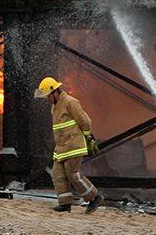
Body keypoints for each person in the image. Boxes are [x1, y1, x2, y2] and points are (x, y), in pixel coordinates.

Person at [35, 76, 104, 214]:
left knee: (72, 173)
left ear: (55, 91)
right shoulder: (54, 106)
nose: (48, 99)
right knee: (57, 174)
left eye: (48, 96)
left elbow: (85, 121)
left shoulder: (70, 102)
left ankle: (95, 197)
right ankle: (65, 204)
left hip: (74, 146)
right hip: (61, 148)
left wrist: (88, 137)